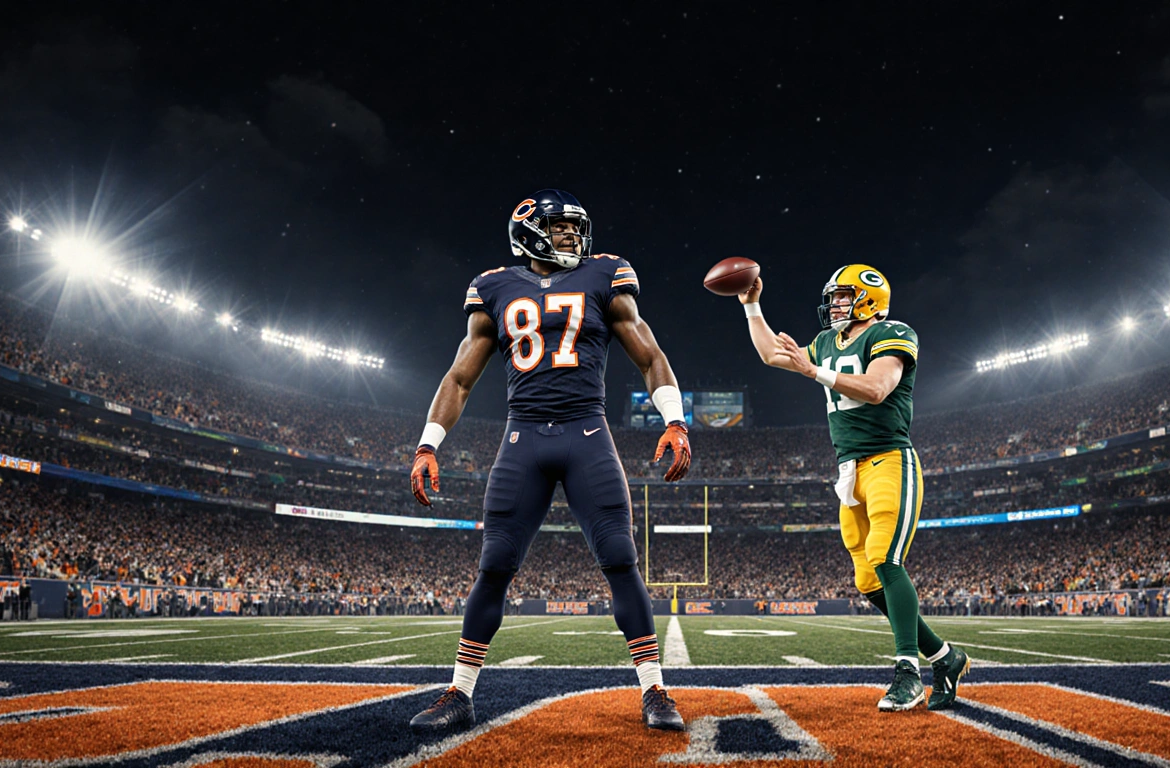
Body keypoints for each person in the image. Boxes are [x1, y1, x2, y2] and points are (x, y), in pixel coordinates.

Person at [407, 190, 692, 734]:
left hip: (588, 433)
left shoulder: (606, 273)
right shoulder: (493, 286)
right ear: (530, 230)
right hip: (523, 440)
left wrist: (674, 420)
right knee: (494, 566)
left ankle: (654, 689)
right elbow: (460, 377)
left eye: (575, 228)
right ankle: (460, 694)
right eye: (562, 228)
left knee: (619, 558)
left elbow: (649, 354)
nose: (573, 237)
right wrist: (428, 444)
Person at [740, 265, 969, 711]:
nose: (835, 305)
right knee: (867, 581)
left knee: (886, 558)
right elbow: (771, 354)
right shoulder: (826, 342)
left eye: (844, 296)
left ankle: (908, 673)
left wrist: (814, 374)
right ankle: (945, 657)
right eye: (835, 297)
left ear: (869, 298)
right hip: (849, 469)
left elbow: (878, 388)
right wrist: (751, 305)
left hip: (889, 460)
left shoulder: (892, 333)